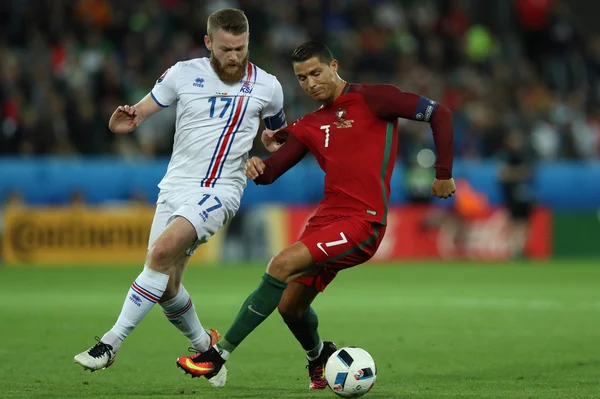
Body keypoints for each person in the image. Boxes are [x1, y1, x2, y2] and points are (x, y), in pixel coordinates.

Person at [176, 41, 456, 388]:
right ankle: (319, 359)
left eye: (315, 73)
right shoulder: (308, 125)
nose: (310, 83)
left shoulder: (373, 98)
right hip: (325, 221)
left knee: (280, 264)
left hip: (363, 222)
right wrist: (255, 165)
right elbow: (270, 172)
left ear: (334, 66)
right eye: (302, 78)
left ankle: (217, 357)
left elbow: (439, 114)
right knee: (290, 307)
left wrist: (443, 173)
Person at [73, 8, 287, 388]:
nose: (235, 56)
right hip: (174, 187)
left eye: (241, 48)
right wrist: (127, 117)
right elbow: (139, 111)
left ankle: (109, 344)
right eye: (226, 49)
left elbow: (277, 135)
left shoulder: (268, 86)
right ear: (208, 43)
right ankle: (206, 349)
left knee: (159, 254)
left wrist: (271, 144)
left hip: (220, 190)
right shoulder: (182, 73)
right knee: (166, 285)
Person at [498, 129, 533, 259]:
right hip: (511, 195)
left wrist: (514, 173)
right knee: (513, 223)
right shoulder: (505, 155)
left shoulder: (525, 155)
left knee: (524, 223)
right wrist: (519, 173)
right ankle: (513, 251)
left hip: (524, 195)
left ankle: (521, 249)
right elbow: (502, 174)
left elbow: (529, 172)